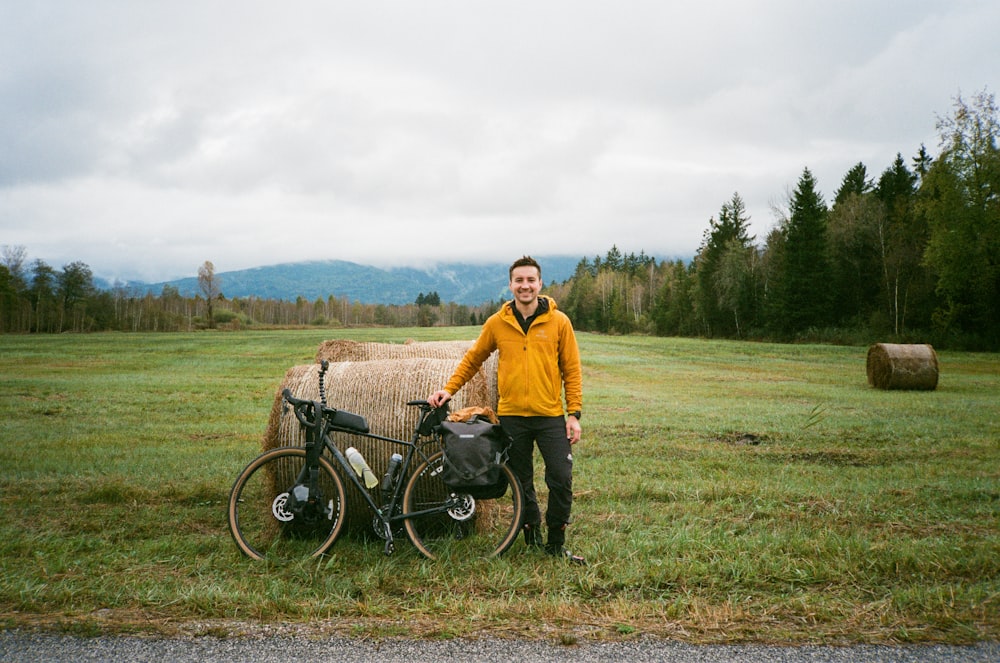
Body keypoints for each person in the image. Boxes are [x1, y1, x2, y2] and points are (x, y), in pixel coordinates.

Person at [428, 256, 585, 564]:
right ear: (511, 284)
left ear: (540, 284)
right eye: (519, 280)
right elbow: (474, 359)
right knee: (521, 480)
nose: (525, 285)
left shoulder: (559, 322)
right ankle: (531, 535)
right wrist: (449, 389)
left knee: (561, 477)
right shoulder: (497, 323)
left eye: (530, 280)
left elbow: (572, 369)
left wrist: (574, 414)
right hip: (512, 416)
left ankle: (556, 541)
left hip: (550, 415)